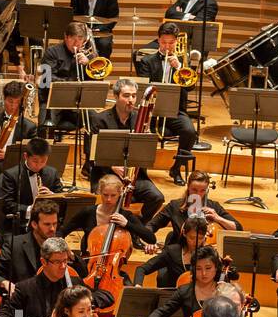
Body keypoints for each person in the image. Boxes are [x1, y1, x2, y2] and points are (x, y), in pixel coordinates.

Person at [87, 77, 164, 221]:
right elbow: (91, 152)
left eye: (134, 96)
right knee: (116, 199)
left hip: (134, 175)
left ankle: (136, 227)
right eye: (126, 95)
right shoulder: (100, 119)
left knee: (157, 197)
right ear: (116, 96)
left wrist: (146, 141)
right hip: (107, 174)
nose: (131, 100)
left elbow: (146, 155)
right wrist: (112, 166)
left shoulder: (141, 118)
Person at [135, 23, 197, 184]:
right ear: (158, 40)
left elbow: (190, 87)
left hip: (175, 110)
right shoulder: (147, 61)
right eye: (163, 42)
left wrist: (179, 68)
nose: (167, 46)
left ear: (177, 42)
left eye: (171, 43)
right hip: (151, 111)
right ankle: (141, 171)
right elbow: (144, 88)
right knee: (138, 129)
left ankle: (176, 169)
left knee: (189, 131)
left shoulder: (184, 61)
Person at [0, 199, 62, 296]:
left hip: (50, 305)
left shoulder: (59, 245)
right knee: (17, 312)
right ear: (34, 224)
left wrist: (72, 256)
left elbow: (81, 274)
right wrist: (5, 283)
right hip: (20, 306)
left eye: (55, 224)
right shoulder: (15, 245)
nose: (52, 229)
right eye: (47, 224)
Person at [147, 170, 241, 245]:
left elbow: (238, 229)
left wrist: (217, 218)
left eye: (202, 190)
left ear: (207, 190)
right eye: (194, 190)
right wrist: (150, 242)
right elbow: (151, 225)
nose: (198, 194)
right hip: (178, 253)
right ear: (188, 187)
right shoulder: (175, 205)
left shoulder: (213, 206)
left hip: (204, 255)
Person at [146, 246, 230, 317]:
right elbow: (161, 312)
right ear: (193, 269)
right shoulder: (185, 291)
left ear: (216, 268)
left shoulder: (224, 291)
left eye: (208, 268)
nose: (203, 273)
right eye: (198, 268)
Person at [0, 137, 63, 231]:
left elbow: (61, 198)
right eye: (35, 161)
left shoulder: (53, 173)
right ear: (26, 156)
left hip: (47, 224)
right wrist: (29, 210)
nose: (39, 165)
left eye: (43, 161)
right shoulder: (11, 175)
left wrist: (51, 195)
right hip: (21, 224)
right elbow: (7, 204)